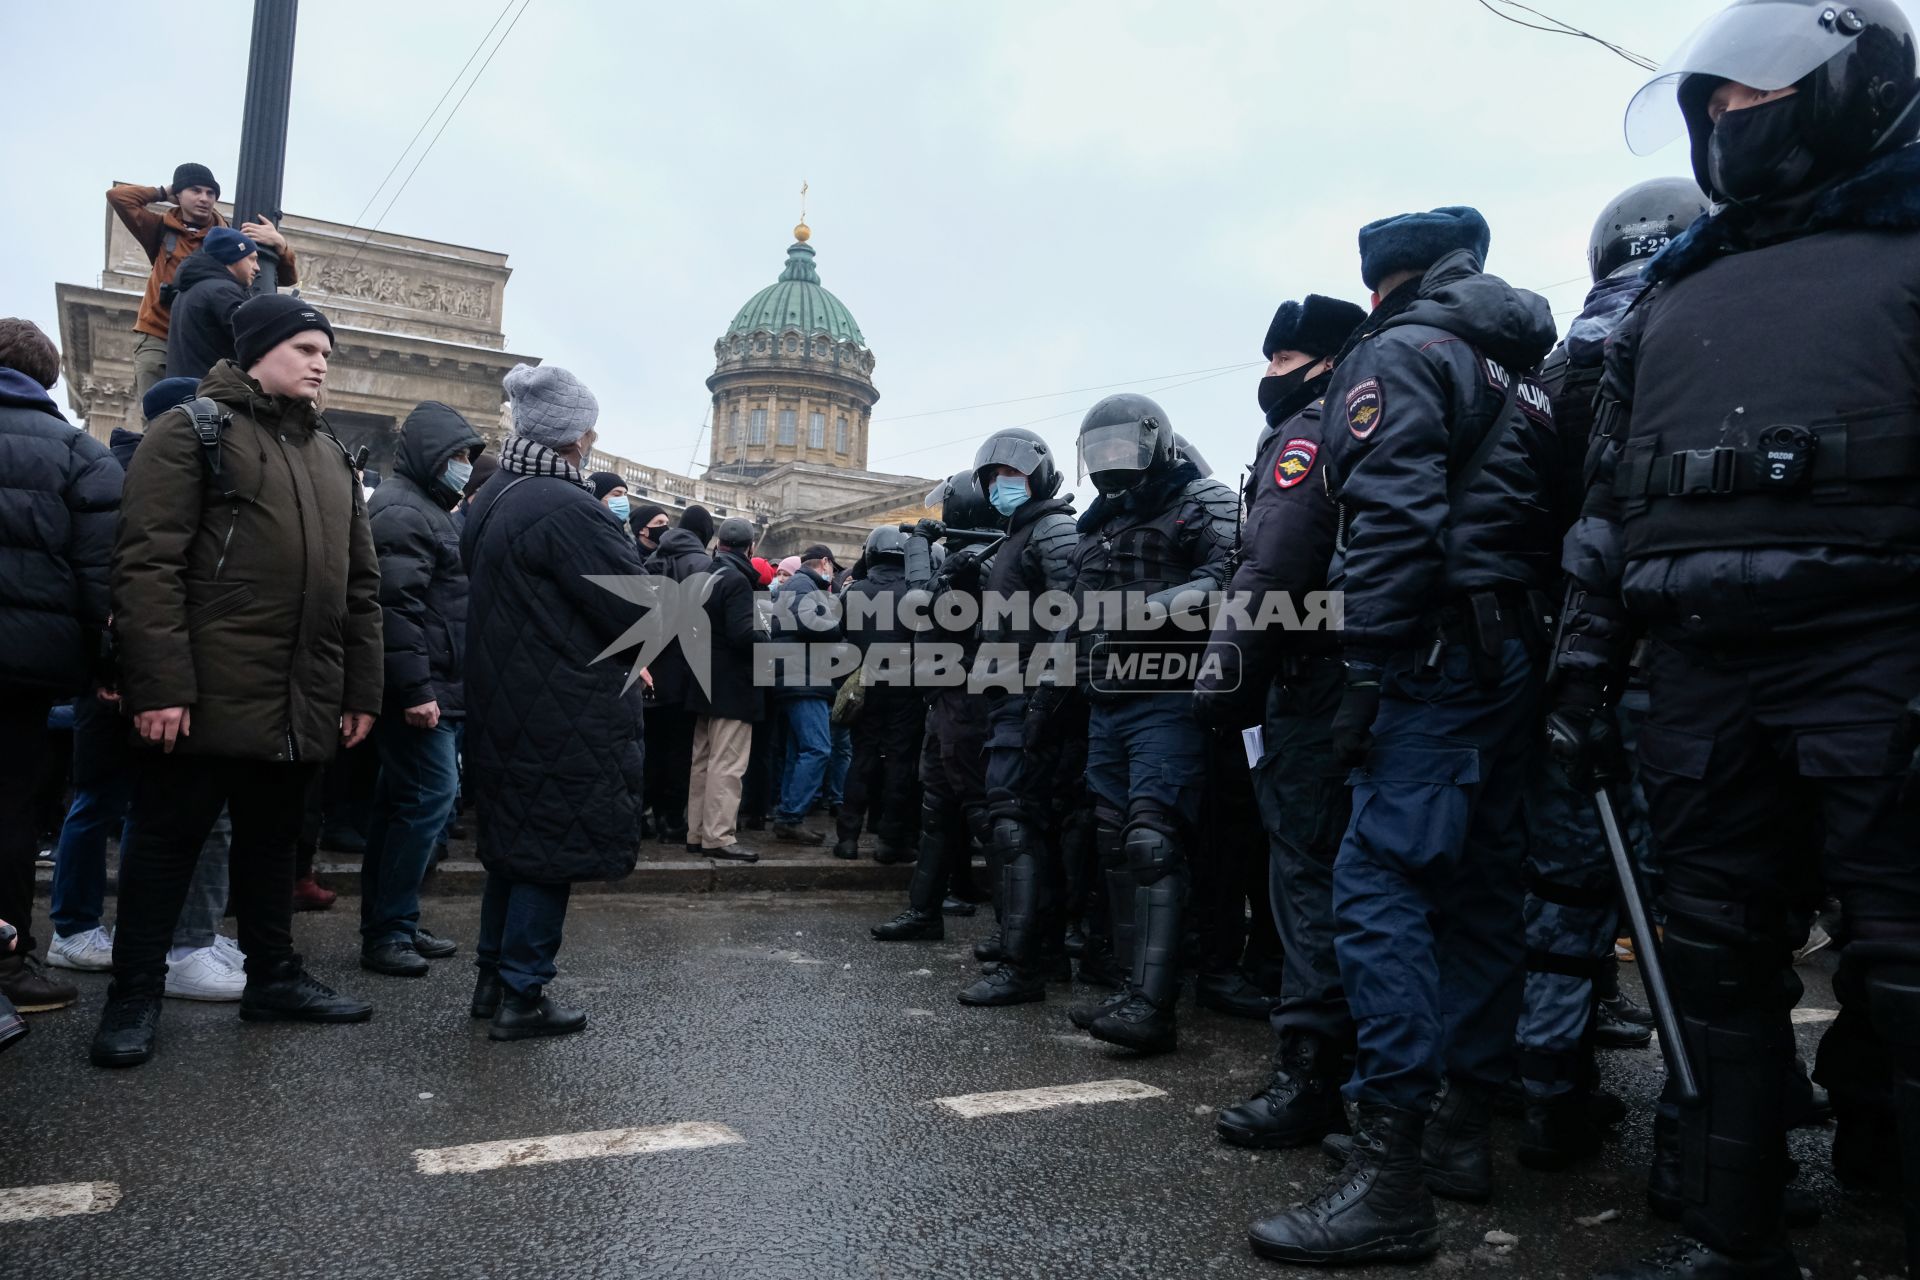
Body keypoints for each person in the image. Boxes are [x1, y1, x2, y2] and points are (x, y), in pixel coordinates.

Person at [1555, 5, 1920, 1275]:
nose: (1724, 120)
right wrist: (1583, 662)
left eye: (1749, 98)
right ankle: (1730, 1230)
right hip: (1702, 669)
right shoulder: (1675, 290)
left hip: (1882, 655)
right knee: (1710, 963)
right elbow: (1611, 503)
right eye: (1710, 106)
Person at [1245, 207, 1561, 1264]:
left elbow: (1392, 518)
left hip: (1426, 654)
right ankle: (1459, 1136)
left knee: (1377, 886)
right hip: (1512, 652)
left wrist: (1367, 669)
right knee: (1480, 890)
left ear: (1385, 282)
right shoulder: (1524, 372)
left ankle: (1392, 1172)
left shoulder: (1402, 353)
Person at [93, 296, 381, 1069]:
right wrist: (158, 687)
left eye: (327, 350)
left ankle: (273, 978)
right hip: (203, 696)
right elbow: (147, 566)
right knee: (165, 848)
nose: (321, 361)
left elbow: (361, 587)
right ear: (257, 350)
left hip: (299, 696)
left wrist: (360, 690)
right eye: (304, 347)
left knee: (272, 848)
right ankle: (134, 997)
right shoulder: (190, 431)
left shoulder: (329, 455)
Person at [1508, 178, 1710, 1175]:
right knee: (1701, 911)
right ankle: (1697, 1140)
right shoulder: (1702, 327)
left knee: (1565, 892)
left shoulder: (1555, 366)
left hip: (1572, 653)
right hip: (1688, 659)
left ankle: (1551, 1094)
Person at [1193, 293, 1368, 1151]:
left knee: (1308, 878)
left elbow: (1274, 568)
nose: (1269, 377)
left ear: (1326, 360)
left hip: (1315, 680)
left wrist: (1225, 686)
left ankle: (1312, 1076)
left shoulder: (1310, 430)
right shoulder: (1379, 412)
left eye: (1282, 360)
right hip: (1375, 675)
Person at [49, 377, 248, 1003]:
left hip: (150, 669)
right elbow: (110, 577)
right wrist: (110, 669)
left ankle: (162, 932)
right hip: (121, 675)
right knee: (102, 801)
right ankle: (76, 927)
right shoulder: (128, 472)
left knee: (139, 806)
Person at [461, 363, 645, 1040]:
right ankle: (523, 995)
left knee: (511, 847)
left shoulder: (498, 494)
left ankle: (492, 979)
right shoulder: (567, 506)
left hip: (505, 700)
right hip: (561, 705)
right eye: (589, 427)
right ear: (573, 436)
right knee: (547, 852)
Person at [1052, 395, 1238, 1052]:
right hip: (1107, 703)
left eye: (1120, 448)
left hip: (1169, 698)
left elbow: (1230, 578)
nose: (1109, 465)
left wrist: (1148, 611)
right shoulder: (1097, 526)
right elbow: (1073, 612)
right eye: (1096, 453)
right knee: (1114, 846)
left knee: (1152, 842)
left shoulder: (1200, 500)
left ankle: (1154, 1007)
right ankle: (1135, 990)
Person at [0, 319, 121, 1015]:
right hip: (21, 672)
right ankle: (9, 965)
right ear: (50, 378)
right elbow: (101, 579)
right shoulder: (77, 453)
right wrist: (107, 666)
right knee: (10, 814)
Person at [956, 433, 1084, 1007]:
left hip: (1035, 695)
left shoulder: (1052, 528)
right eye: (993, 476)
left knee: (1015, 824)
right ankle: (1040, 952)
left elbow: (1071, 614)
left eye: (1012, 473)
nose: (1001, 483)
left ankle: (1023, 963)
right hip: (1013, 693)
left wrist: (1045, 698)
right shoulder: (1018, 534)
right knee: (1026, 826)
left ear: (1038, 475)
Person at [360, 402, 485, 978]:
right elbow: (395, 610)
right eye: (458, 455)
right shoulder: (405, 512)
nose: (464, 466)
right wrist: (415, 690)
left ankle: (396, 921)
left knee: (403, 805)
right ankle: (388, 930)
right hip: (421, 689)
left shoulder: (425, 509)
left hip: (434, 683)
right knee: (426, 802)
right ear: (433, 455)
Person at [872, 469, 1000, 944]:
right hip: (945, 697)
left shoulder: (980, 560)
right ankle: (924, 911)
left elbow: (921, 604)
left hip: (967, 698)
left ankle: (1017, 937)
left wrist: (918, 547)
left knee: (984, 814)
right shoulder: (972, 555)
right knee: (938, 810)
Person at [106, 167, 296, 399]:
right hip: (159, 332)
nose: (204, 199)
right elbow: (118, 197)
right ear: (179, 194)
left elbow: (282, 277)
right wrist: (163, 192)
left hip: (202, 336)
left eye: (210, 193)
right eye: (195, 191)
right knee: (157, 408)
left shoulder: (227, 237)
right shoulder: (161, 230)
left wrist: (281, 245)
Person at [832, 526, 927, 864]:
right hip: (906, 686)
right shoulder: (916, 594)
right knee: (900, 763)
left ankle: (847, 838)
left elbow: (836, 636)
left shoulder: (853, 592)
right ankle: (890, 840)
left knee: (862, 758)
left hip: (865, 683)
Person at [686, 517, 767, 860]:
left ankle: (697, 832)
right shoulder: (736, 580)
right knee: (727, 763)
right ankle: (719, 837)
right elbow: (741, 635)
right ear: (750, 548)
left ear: (719, 545)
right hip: (732, 685)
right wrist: (766, 635)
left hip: (703, 679)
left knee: (702, 761)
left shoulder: (704, 575)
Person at [643, 505, 716, 846]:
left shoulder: (651, 561)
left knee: (652, 747)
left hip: (651, 670)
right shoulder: (702, 565)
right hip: (685, 670)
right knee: (680, 751)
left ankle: (645, 815)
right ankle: (672, 820)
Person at [767, 544, 842, 844]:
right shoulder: (803, 585)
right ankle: (791, 815)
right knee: (818, 748)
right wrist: (837, 624)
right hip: (804, 678)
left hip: (798, 676)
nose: (832, 574)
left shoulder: (800, 585)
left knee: (798, 751)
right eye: (832, 568)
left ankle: (788, 813)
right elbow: (808, 623)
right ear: (824, 563)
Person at [163, 227, 259, 383]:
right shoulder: (223, 291)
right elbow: (254, 337)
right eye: (251, 259)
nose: (257, 267)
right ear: (233, 257)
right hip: (212, 394)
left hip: (188, 391)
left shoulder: (191, 289)